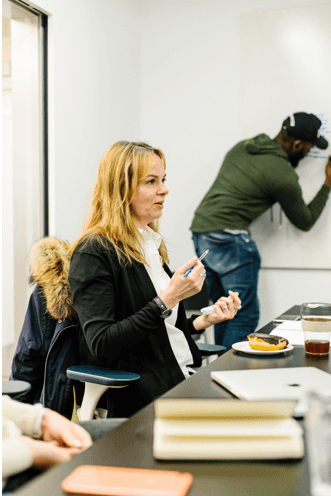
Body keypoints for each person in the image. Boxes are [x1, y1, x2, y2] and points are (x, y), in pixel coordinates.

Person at [69, 141, 244, 420]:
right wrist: (169, 298)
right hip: (143, 393)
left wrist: (206, 320)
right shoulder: (94, 251)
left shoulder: (148, 245)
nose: (164, 189)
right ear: (120, 188)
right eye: (151, 181)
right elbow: (101, 344)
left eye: (163, 180)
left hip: (179, 377)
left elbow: (158, 333)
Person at [190, 112, 331, 346]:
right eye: (308, 148)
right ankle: (231, 374)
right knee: (242, 314)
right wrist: (328, 182)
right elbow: (305, 221)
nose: (309, 153)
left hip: (201, 233)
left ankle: (218, 371)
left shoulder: (243, 147)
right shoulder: (281, 173)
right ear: (297, 144)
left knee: (223, 311)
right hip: (230, 239)